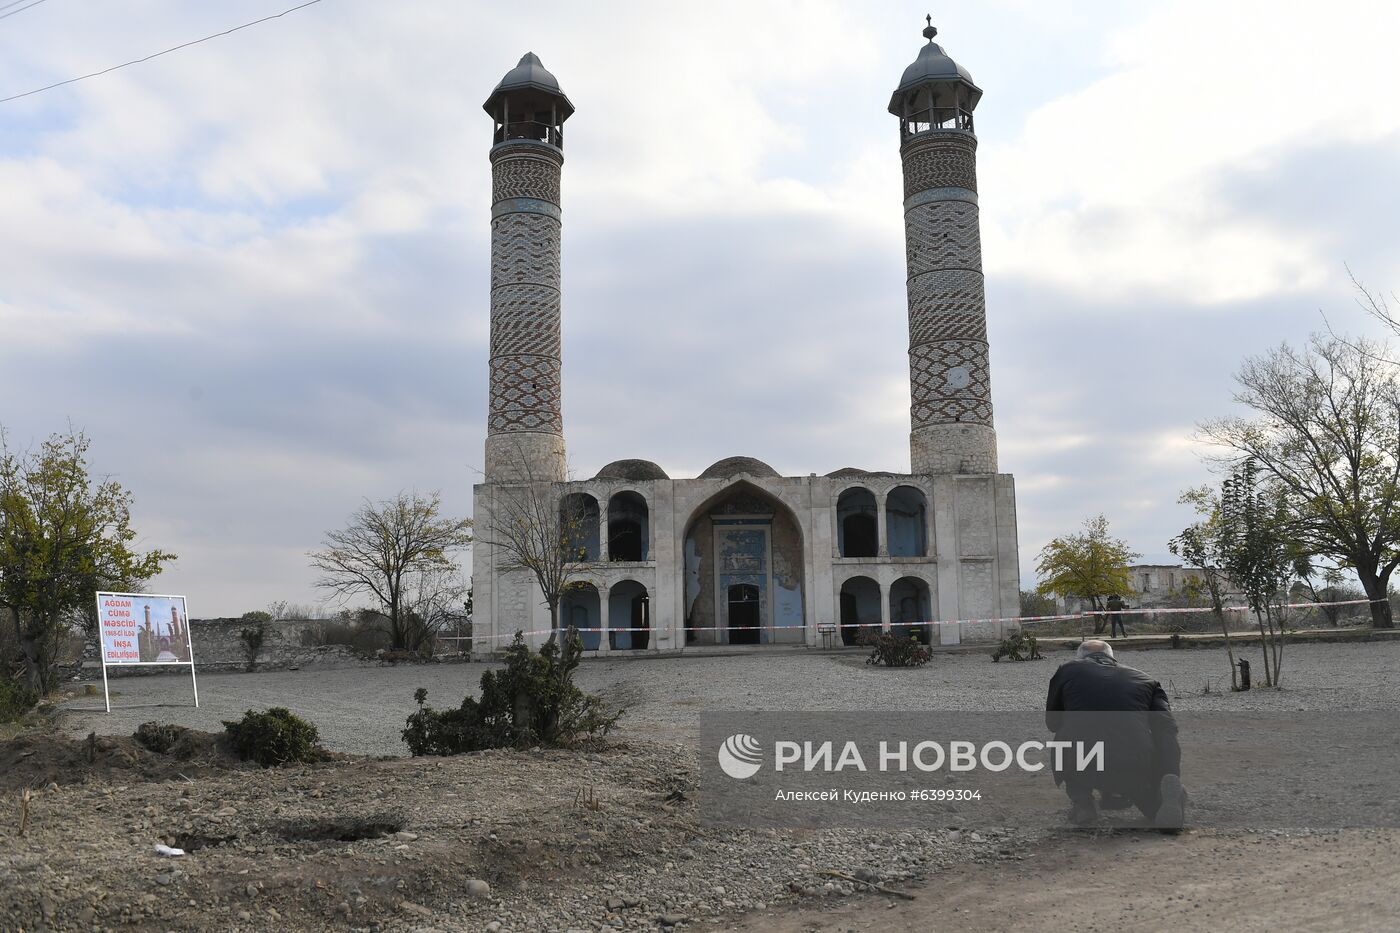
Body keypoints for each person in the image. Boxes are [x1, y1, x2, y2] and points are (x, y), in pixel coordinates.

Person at [1045, 640, 1186, 830]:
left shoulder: (1068, 670)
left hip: (1084, 763)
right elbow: (1167, 730)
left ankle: (1083, 802)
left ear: (1081, 657)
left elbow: (1053, 723)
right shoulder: (1147, 680)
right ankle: (1158, 799)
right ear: (1111, 657)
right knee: (1148, 743)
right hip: (1135, 763)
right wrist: (1169, 773)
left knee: (1066, 737)